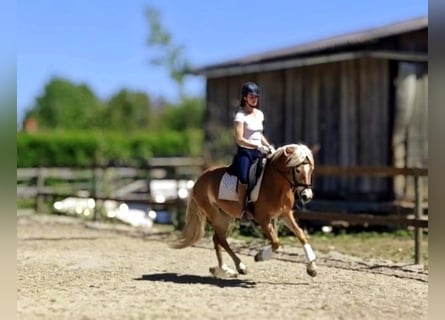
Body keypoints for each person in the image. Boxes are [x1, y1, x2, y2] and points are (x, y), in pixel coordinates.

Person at [233, 81, 275, 223]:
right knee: (244, 178)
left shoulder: (260, 114)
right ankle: (243, 210)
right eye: (251, 96)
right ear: (245, 97)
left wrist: (269, 147)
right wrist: (256, 146)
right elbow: (239, 138)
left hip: (260, 151)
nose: (254, 99)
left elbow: (259, 134)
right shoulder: (240, 116)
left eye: (256, 97)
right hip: (246, 152)